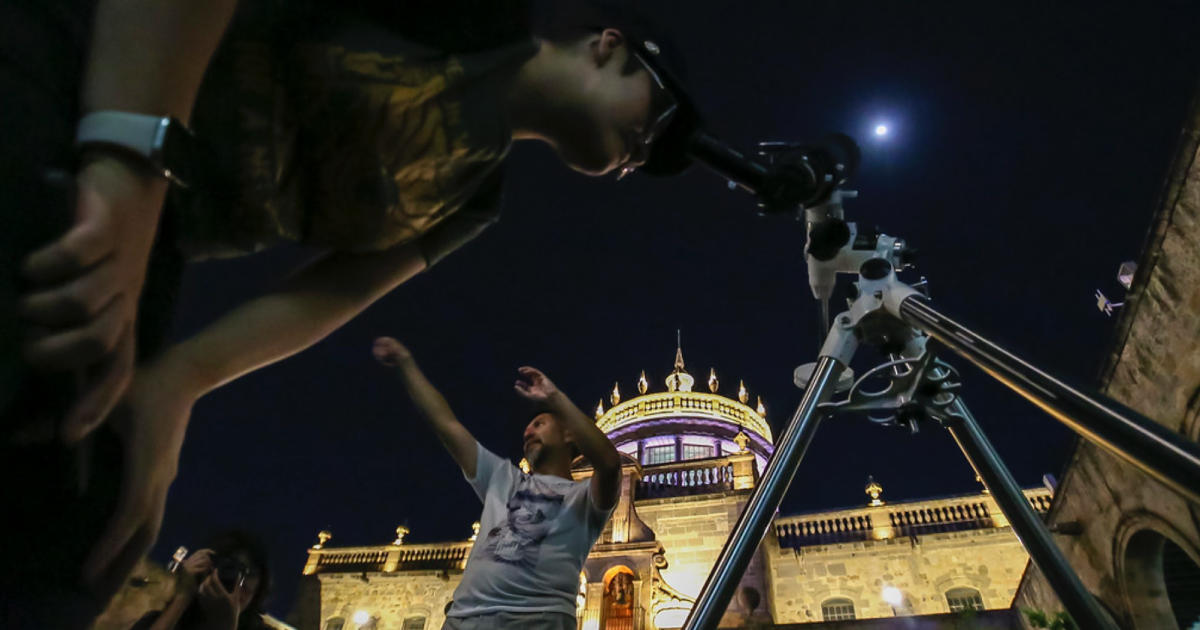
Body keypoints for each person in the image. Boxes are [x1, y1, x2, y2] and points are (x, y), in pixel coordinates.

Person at [0, 1, 699, 624]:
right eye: (660, 111)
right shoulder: (484, 17)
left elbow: (327, 297)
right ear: (608, 44)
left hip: (154, 224)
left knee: (84, 525)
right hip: (74, 88)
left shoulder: (474, 196)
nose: (650, 147)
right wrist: (128, 159)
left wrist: (179, 381)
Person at [372, 336, 622, 629]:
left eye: (539, 424)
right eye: (527, 428)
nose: (528, 432)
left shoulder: (584, 499)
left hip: (537, 621)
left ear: (570, 434)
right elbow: (446, 424)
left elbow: (609, 463)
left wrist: (555, 398)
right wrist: (406, 364)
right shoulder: (502, 478)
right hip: (464, 619)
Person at [128, 530, 272, 630]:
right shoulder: (165, 621)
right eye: (229, 568)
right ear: (209, 567)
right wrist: (184, 595)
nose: (238, 582)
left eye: (250, 573)